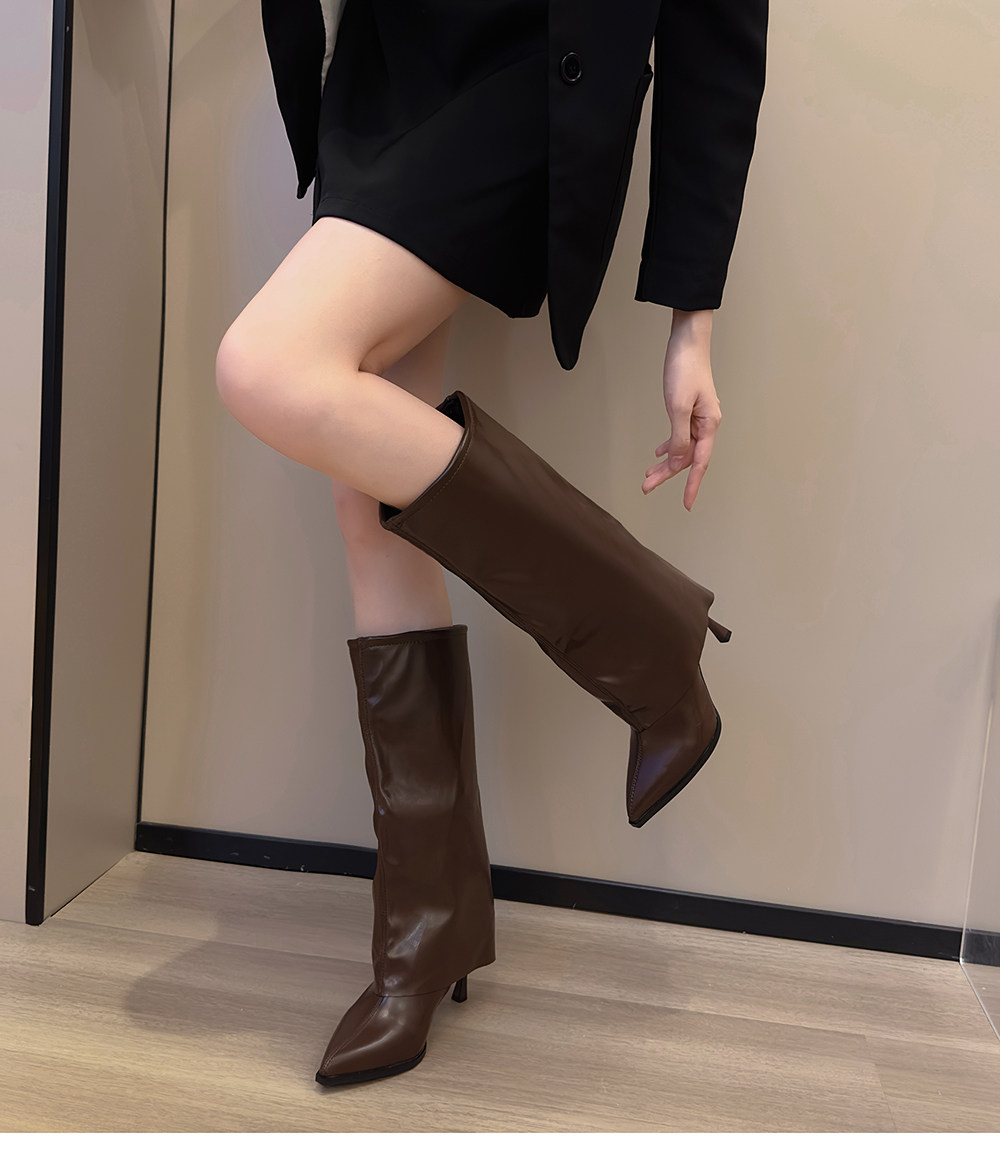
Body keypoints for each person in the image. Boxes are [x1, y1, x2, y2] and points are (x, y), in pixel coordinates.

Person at [217, 0, 768, 1087]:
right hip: (381, 75)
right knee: (369, 498)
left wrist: (691, 324)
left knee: (266, 364)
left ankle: (651, 641)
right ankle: (432, 925)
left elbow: (718, 38)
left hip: (525, 79)